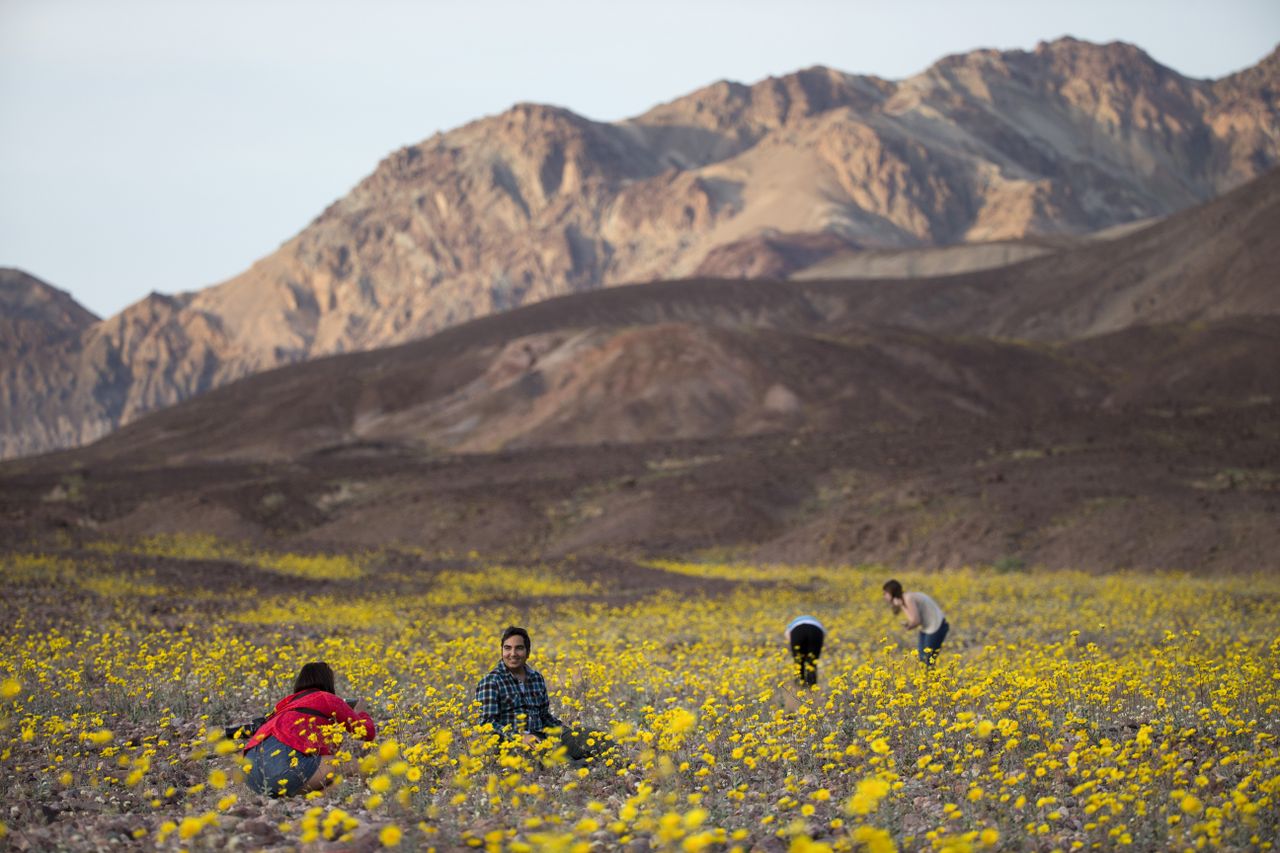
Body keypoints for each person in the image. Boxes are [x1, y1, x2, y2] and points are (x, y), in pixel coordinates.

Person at [243, 661, 377, 797]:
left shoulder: (284, 705)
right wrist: (361, 712)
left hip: (251, 775)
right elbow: (367, 733)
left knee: (336, 778)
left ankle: (308, 799)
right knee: (359, 766)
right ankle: (372, 795)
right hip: (282, 768)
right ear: (328, 681)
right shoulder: (325, 697)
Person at [474, 626, 604, 762]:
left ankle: (622, 763)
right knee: (563, 761)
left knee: (592, 736)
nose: (513, 653)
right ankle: (585, 767)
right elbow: (487, 723)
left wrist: (566, 733)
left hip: (543, 736)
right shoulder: (490, 681)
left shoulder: (536, 678)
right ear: (502, 651)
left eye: (519, 648)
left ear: (528, 652)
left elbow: (543, 715)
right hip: (512, 746)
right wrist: (520, 737)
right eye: (507, 648)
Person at [882, 580, 949, 665]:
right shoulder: (905, 598)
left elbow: (915, 621)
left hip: (937, 626)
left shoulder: (908, 598)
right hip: (927, 627)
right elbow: (914, 619)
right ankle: (928, 677)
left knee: (927, 660)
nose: (884, 596)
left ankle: (930, 677)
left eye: (885, 593)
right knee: (923, 659)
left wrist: (902, 607)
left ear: (892, 592)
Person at [785, 615, 826, 686]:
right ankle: (812, 686)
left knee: (798, 661)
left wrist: (793, 643)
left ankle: (799, 685)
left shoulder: (794, 622)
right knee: (812, 662)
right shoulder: (816, 621)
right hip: (816, 631)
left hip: (798, 631)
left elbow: (787, 634)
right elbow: (823, 634)